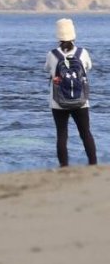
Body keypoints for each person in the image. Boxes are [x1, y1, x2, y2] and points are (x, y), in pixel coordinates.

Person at [44, 18, 96, 167]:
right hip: (81, 101)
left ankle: (64, 166)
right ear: (73, 35)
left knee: (62, 134)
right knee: (86, 133)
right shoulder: (82, 52)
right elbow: (89, 67)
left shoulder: (52, 54)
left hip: (58, 102)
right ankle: (93, 164)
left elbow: (46, 69)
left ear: (58, 37)